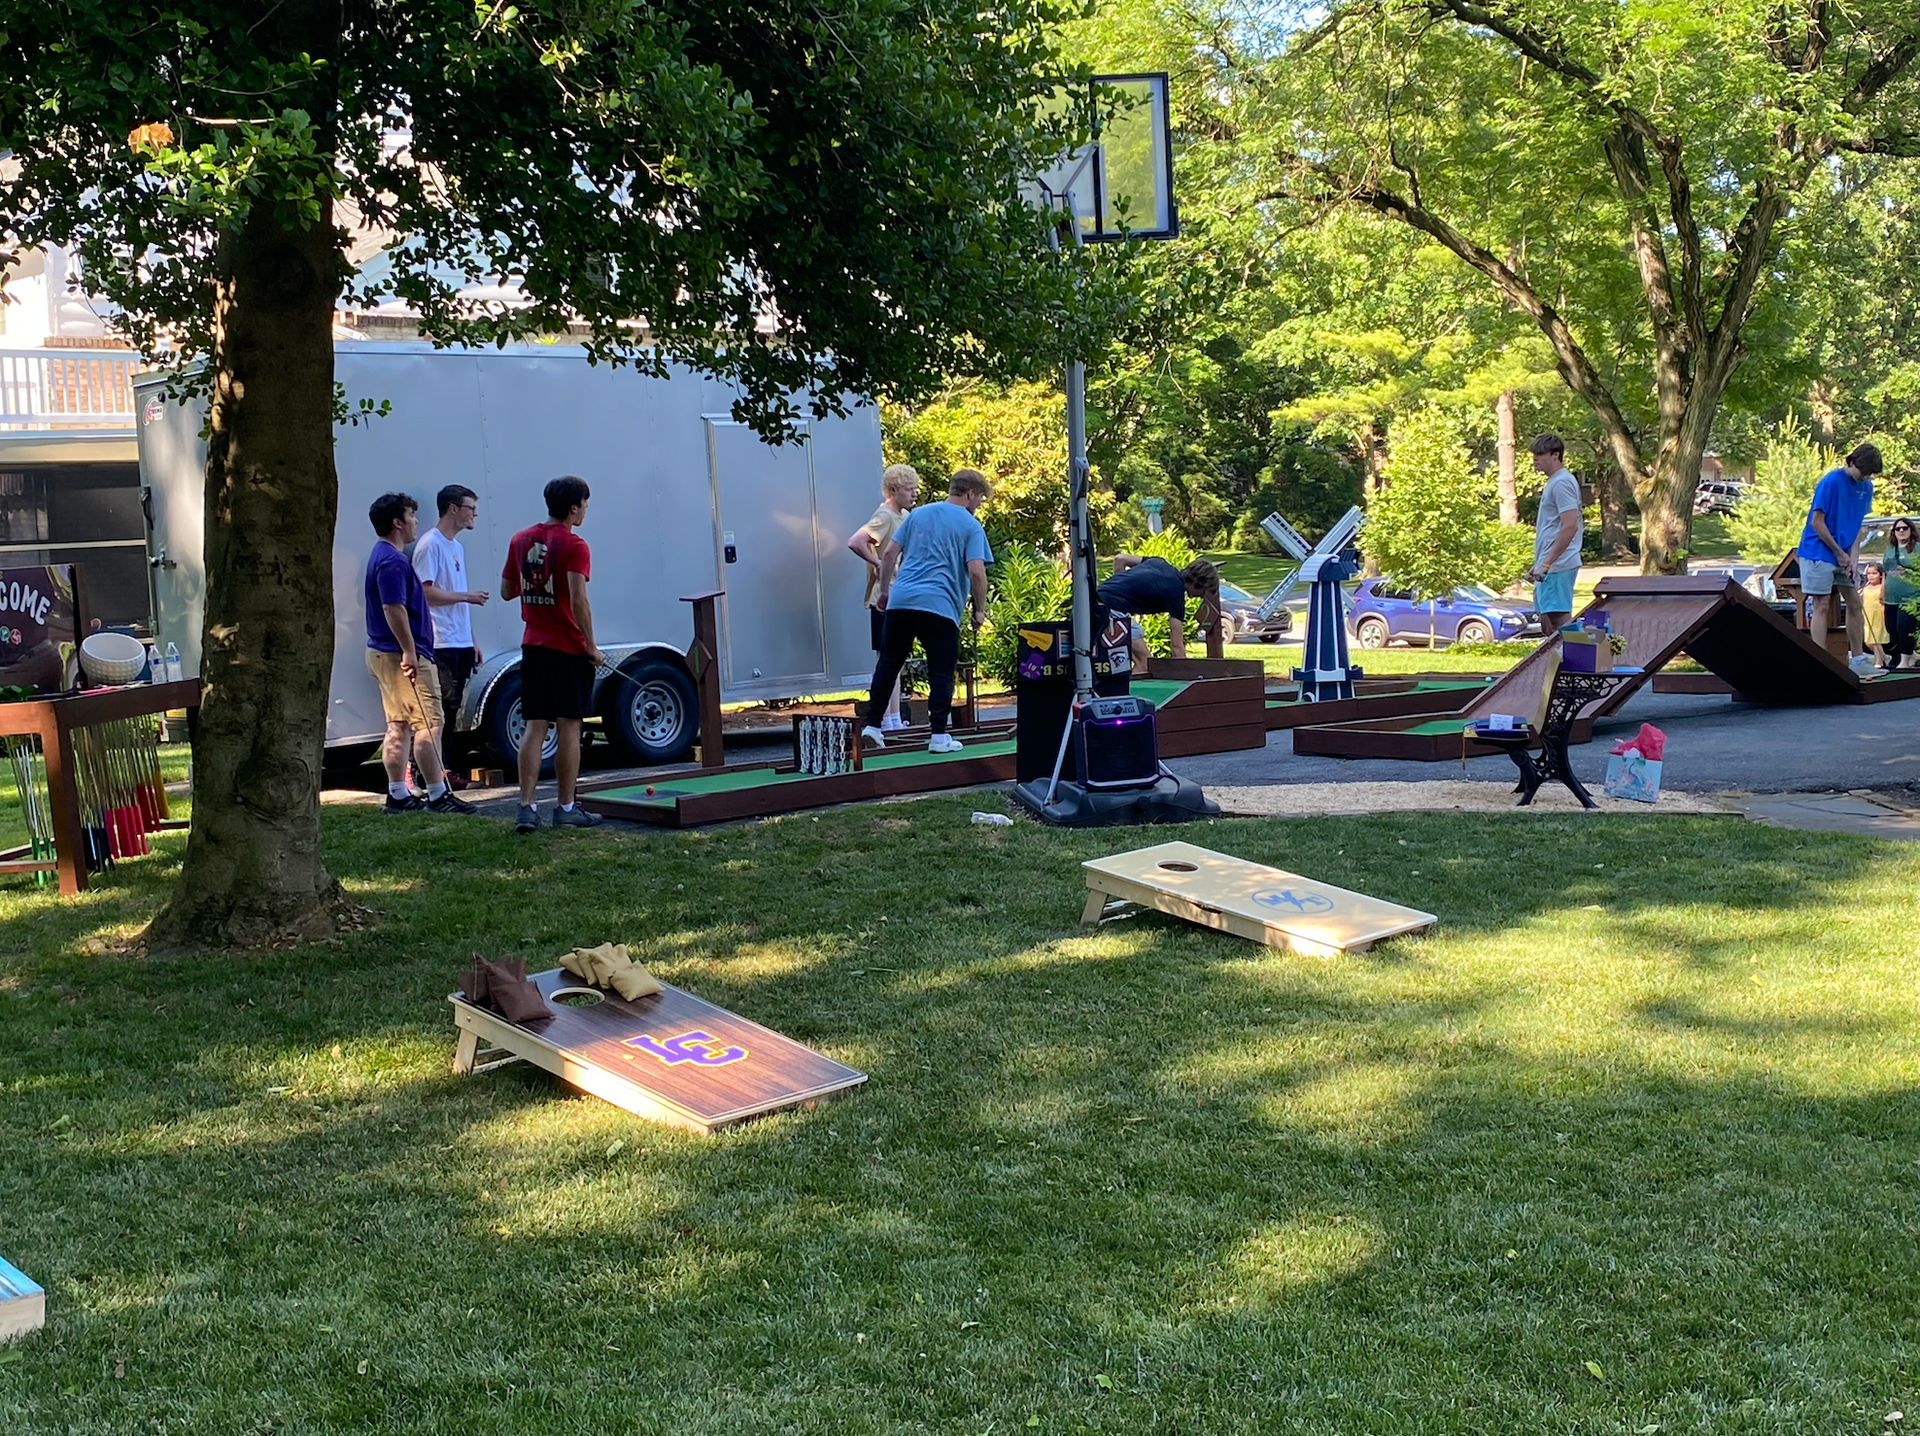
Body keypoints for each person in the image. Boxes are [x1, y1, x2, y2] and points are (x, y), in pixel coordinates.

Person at [860, 468, 993, 753]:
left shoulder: (918, 515)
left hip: (902, 600)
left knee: (889, 664)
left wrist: (884, 592)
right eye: (980, 498)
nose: (980, 503)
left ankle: (872, 725)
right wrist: (979, 610)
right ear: (970, 494)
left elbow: (889, 554)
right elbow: (977, 572)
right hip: (940, 605)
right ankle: (939, 736)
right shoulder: (971, 526)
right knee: (941, 670)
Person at [501, 476, 607, 832]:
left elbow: (506, 590)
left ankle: (526, 808)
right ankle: (565, 807)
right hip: (567, 648)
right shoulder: (575, 545)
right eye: (585, 505)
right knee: (569, 729)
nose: (586, 511)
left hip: (534, 644)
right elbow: (579, 599)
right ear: (573, 507)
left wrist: (536, 585)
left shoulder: (520, 540)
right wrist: (591, 646)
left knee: (534, 726)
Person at [363, 493, 475, 815]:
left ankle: (398, 795)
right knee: (429, 724)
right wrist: (410, 651)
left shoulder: (381, 554)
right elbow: (392, 607)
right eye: (411, 516)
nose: (415, 522)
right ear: (397, 523)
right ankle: (439, 795)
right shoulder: (393, 561)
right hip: (402, 656)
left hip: (383, 654)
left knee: (399, 725)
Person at [412, 483, 490, 785]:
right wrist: (467, 597)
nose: (475, 514)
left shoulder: (456, 547)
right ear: (453, 509)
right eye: (471, 508)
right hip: (439, 640)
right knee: (440, 710)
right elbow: (426, 592)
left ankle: (447, 769)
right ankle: (433, 772)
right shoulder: (430, 544)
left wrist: (471, 638)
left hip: (458, 640)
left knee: (454, 707)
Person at [1796, 442, 1883, 677]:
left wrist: (1853, 559)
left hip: (1843, 554)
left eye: (1869, 474)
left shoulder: (1866, 487)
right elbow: (1817, 522)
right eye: (1862, 471)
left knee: (1855, 602)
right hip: (1818, 551)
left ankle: (1858, 659)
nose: (1865, 477)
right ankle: (1820, 662)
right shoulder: (1831, 482)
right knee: (1821, 604)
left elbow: (1856, 525)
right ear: (1852, 461)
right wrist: (1838, 553)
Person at [846, 463, 919, 729]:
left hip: (898, 593)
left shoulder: (904, 515)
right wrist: (878, 564)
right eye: (909, 489)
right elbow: (856, 541)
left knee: (895, 658)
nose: (914, 494)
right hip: (884, 596)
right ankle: (887, 718)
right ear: (893, 490)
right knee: (888, 657)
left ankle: (894, 717)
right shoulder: (885, 515)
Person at [1098, 554, 1219, 672]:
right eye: (1203, 592)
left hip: (1093, 599)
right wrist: (1185, 677)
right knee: (1145, 662)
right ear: (1197, 583)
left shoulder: (1158, 562)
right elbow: (1177, 647)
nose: (1200, 597)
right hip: (1110, 609)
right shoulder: (1175, 595)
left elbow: (1121, 559)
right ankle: (1125, 692)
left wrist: (1120, 588)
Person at [1524, 434, 1583, 634]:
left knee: (1557, 622)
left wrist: (1547, 564)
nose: (1535, 459)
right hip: (1550, 566)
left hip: (1558, 566)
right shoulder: (1556, 482)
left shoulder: (1561, 483)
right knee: (1547, 623)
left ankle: (1572, 662)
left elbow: (1570, 526)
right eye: (1534, 454)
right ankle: (1558, 663)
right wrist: (1540, 564)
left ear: (1555, 455)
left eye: (1540, 454)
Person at [1882, 516, 1919, 671]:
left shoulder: (1917, 548)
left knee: (1904, 626)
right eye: (1898, 528)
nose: (1901, 531)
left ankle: (1904, 661)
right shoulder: (1890, 549)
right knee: (1892, 628)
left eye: (1905, 528)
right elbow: (1885, 572)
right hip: (1891, 597)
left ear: (1911, 530)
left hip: (1911, 596)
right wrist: (1882, 591)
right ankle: (1912, 655)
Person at [1862, 563, 1889, 668]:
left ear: (1881, 575)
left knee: (1875, 640)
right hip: (1868, 616)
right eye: (1869, 573)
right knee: (1868, 641)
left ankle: (1879, 662)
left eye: (1874, 573)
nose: (1871, 576)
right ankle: (1884, 657)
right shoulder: (1866, 587)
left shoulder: (1882, 588)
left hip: (1878, 615)